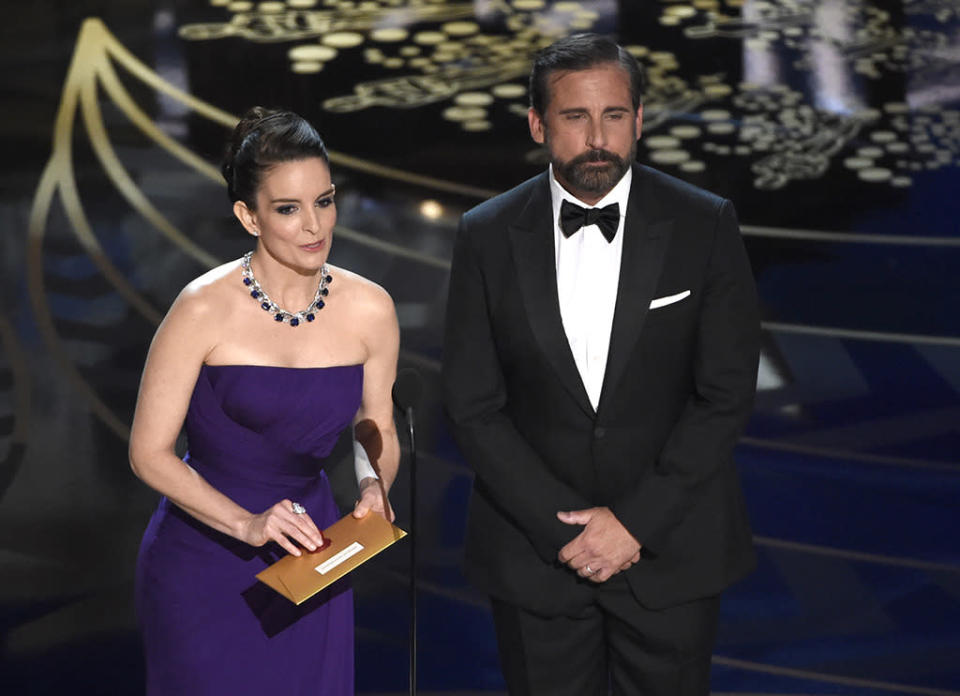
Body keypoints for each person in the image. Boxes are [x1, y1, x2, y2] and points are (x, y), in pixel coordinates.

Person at [442, 34, 760, 695]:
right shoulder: (486, 234)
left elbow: (724, 395)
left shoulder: (705, 225)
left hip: (672, 555)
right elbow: (474, 405)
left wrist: (634, 523)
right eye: (575, 116)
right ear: (538, 124)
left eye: (615, 116)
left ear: (639, 120)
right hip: (537, 562)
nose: (598, 138)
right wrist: (566, 533)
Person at [131, 107, 400, 695]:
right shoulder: (201, 308)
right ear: (247, 216)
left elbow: (373, 422)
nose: (314, 226)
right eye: (288, 208)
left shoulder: (371, 308)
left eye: (324, 201)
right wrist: (247, 524)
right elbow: (149, 454)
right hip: (202, 560)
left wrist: (374, 484)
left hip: (310, 554)